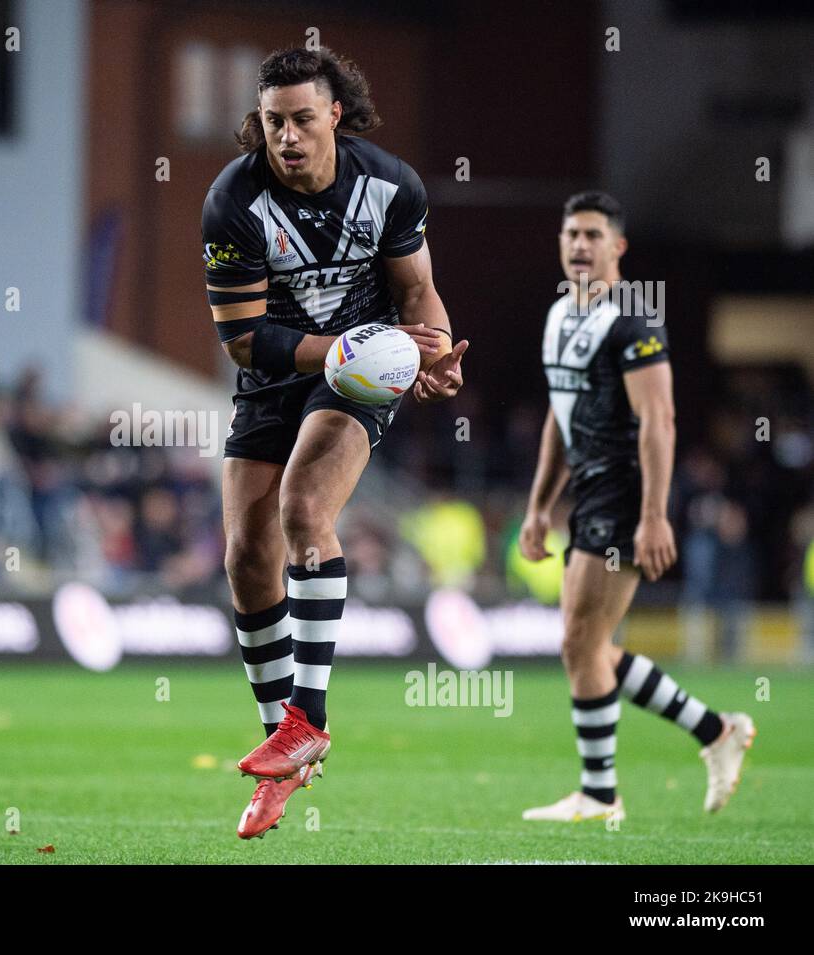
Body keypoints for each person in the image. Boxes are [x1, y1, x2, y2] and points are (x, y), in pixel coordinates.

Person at [201, 47, 468, 839]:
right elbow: (244, 339)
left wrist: (438, 352)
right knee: (245, 553)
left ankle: (307, 721)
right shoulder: (233, 201)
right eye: (274, 120)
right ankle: (282, 739)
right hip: (278, 368)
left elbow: (417, 291)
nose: (286, 136)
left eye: (302, 120)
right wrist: (347, 342)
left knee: (303, 507)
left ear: (335, 118)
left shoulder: (390, 185)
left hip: (356, 374)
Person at [519, 191, 754, 822]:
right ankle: (714, 732)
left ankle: (601, 794)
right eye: (571, 234)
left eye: (593, 235)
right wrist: (540, 506)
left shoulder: (633, 318)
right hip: (588, 492)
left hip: (623, 492)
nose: (579, 245)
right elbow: (559, 417)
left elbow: (660, 418)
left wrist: (654, 513)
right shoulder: (557, 316)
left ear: (617, 247)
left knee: (580, 641)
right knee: (585, 645)